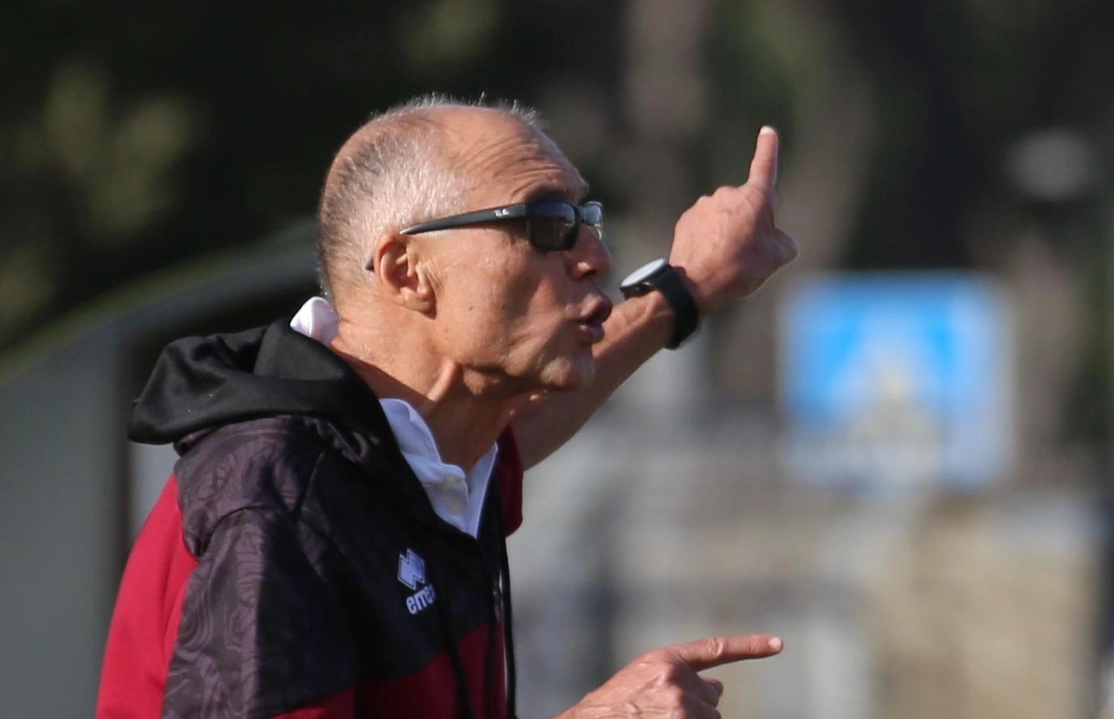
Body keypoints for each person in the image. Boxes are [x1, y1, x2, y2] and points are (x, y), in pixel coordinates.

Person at [96, 97, 798, 719]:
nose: (599, 256)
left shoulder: (424, 448)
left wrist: (686, 286)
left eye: (589, 219)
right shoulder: (280, 502)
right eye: (549, 223)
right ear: (407, 270)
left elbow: (522, 427)